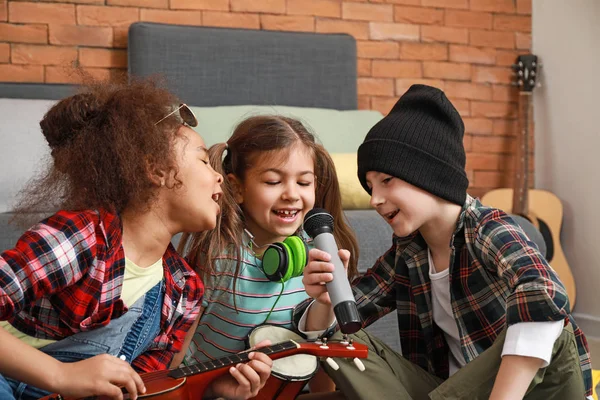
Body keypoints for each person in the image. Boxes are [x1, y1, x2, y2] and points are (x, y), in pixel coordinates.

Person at [298, 84, 592, 400]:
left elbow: (544, 292)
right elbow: (346, 318)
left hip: (531, 393)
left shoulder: (487, 229)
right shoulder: (408, 252)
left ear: (428, 174)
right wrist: (327, 301)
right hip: (449, 391)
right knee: (343, 341)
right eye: (370, 187)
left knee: (546, 315)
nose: (375, 199)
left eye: (386, 180)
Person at [0, 79, 272, 400]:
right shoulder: (84, 236)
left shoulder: (185, 289)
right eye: (202, 160)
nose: (217, 176)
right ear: (156, 170)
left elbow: (149, 390)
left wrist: (213, 391)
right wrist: (61, 374)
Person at [180, 115, 359, 393]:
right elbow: (178, 349)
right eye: (274, 181)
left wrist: (325, 301)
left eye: (304, 183)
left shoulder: (316, 253)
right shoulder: (220, 257)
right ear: (238, 188)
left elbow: (317, 343)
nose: (291, 194)